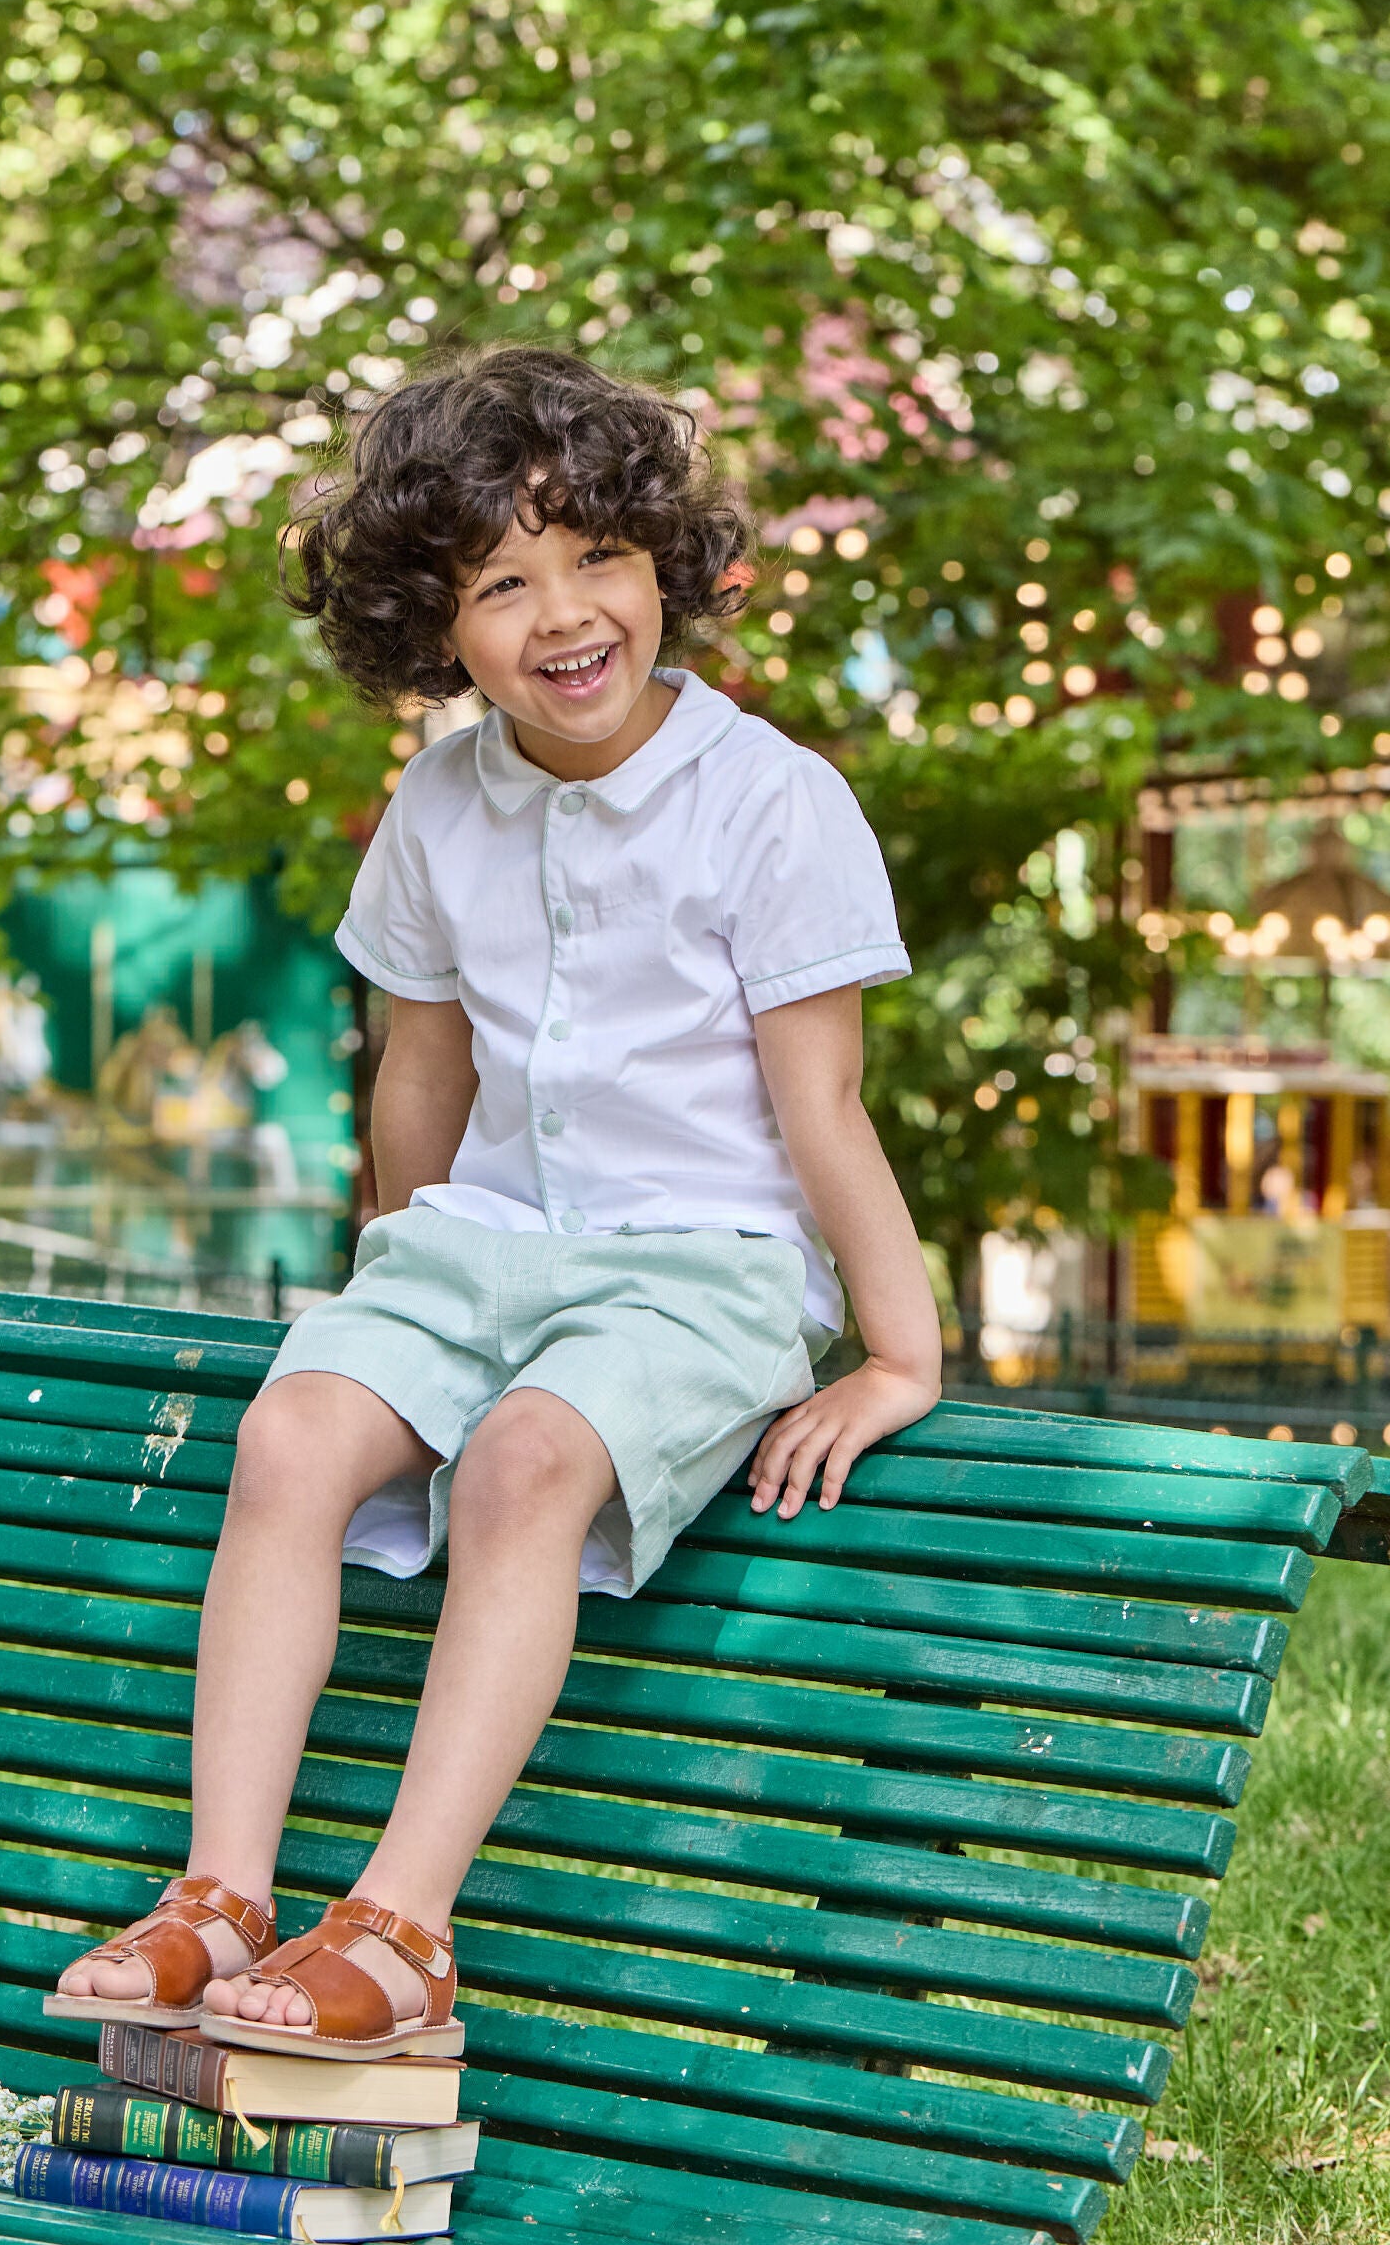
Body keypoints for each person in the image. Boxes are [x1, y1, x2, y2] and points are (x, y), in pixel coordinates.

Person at [49, 346, 942, 2058]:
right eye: (501, 583)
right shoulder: (441, 800)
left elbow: (820, 1106)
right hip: (484, 1243)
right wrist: (387, 1289)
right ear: (431, 628)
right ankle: (220, 1894)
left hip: (702, 1265)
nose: (563, 613)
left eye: (597, 557)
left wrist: (894, 1353)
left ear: (663, 567)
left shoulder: (774, 803)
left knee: (534, 1455)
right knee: (296, 1430)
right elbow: (419, 1075)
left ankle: (398, 1928)